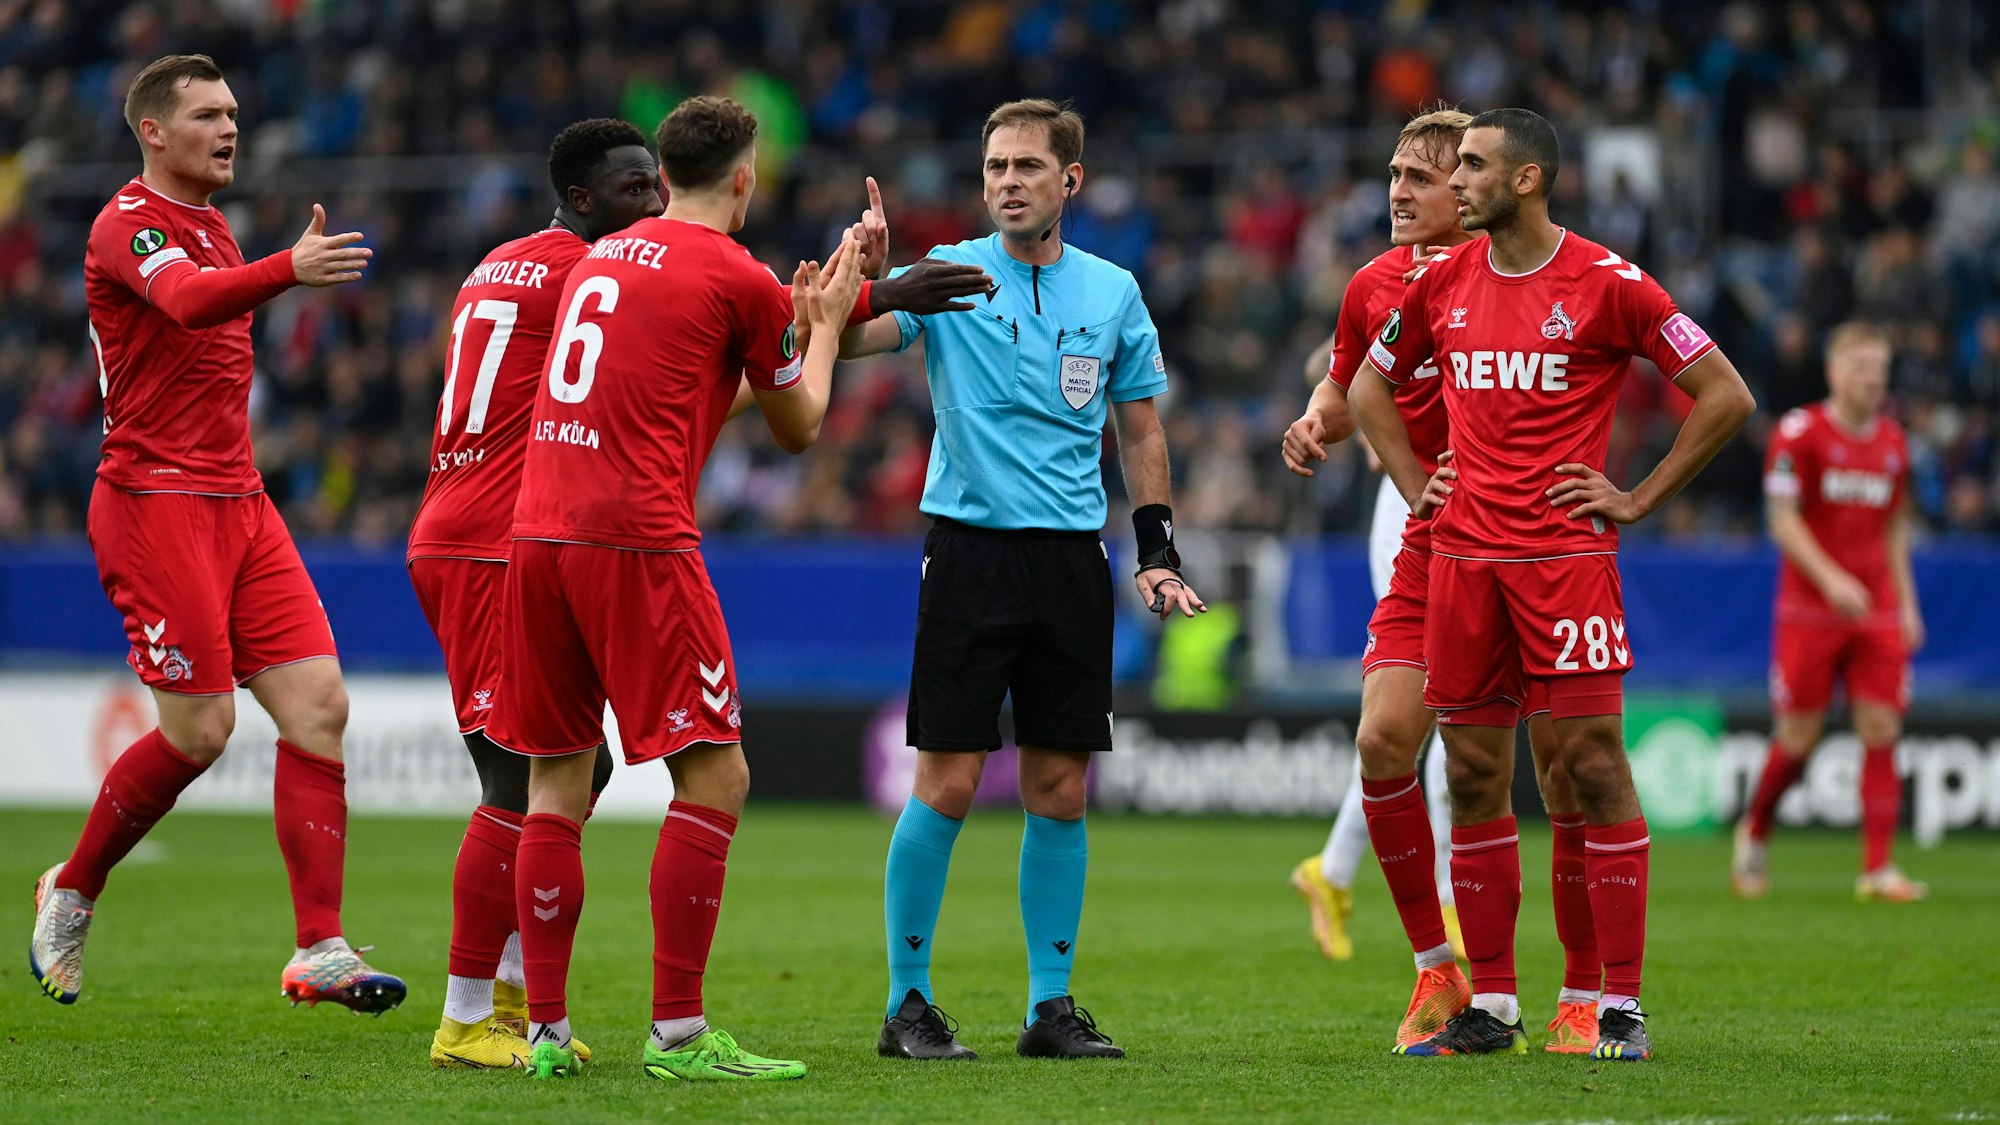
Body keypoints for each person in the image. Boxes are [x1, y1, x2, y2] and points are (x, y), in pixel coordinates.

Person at [488, 94, 988, 1083]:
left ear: (663, 175)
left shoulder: (598, 258)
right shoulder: (730, 269)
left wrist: (823, 303)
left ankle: (541, 1032)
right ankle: (677, 1033)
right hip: (636, 540)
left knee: (554, 781)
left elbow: (679, 376)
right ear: (746, 176)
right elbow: (799, 421)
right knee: (715, 777)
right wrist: (834, 316)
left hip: (536, 533)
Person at [1351, 108, 1755, 1062]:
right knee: (1475, 775)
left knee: (1592, 770)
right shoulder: (1440, 280)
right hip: (1462, 568)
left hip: (1565, 569)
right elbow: (1371, 389)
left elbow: (1726, 395)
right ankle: (1492, 1006)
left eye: (1475, 169)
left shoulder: (1609, 284)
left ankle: (1615, 1005)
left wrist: (1639, 496)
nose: (1456, 186)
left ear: (1526, 180)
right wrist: (1420, 487)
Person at [30, 54, 404, 1013]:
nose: (229, 127)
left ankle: (319, 946)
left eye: (233, 111)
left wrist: (270, 263)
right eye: (205, 114)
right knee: (201, 730)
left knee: (319, 704)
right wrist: (289, 268)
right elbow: (191, 301)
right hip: (155, 503)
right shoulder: (128, 224)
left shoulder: (211, 223)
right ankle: (73, 885)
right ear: (153, 131)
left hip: (240, 501)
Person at [840, 98, 1205, 1062]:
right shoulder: (949, 276)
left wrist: (1157, 552)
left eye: (1027, 167)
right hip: (968, 554)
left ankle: (1051, 1007)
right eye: (995, 165)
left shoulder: (1113, 292)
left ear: (1069, 182)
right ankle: (906, 1004)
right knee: (950, 782)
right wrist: (867, 283)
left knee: (1059, 786)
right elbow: (841, 339)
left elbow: (1141, 430)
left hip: (1072, 562)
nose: (1006, 181)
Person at [1281, 106, 1603, 1055]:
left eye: (1423, 179)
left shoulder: (1530, 279)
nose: (1400, 192)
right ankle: (1439, 967)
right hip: (1429, 523)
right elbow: (1345, 387)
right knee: (1387, 736)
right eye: (1396, 175)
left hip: (1532, 542)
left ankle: (1590, 991)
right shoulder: (1379, 284)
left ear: (1476, 194)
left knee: (1557, 769)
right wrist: (1313, 422)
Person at [407, 118, 664, 1069]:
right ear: (585, 198)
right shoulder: (581, 278)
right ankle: (466, 1015)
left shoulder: (503, 262)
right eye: (636, 188)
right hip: (488, 542)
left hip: (475, 527)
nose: (657, 204)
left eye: (660, 184)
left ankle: (509, 999)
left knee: (578, 771)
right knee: (516, 781)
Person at [1735, 321, 1926, 903]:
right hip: (1809, 610)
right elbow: (1782, 520)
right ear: (1834, 371)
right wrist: (1832, 580)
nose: (1872, 379)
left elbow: (1895, 526)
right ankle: (1757, 829)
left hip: (1875, 610)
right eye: (1862, 367)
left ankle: (1877, 868)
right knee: (1798, 739)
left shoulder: (1894, 443)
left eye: (1880, 369)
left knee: (1882, 728)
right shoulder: (1800, 434)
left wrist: (1907, 604)